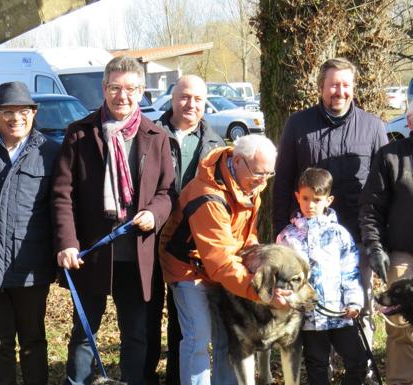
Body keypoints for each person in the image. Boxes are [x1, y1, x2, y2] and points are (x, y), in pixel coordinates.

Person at [52, 56, 174, 385]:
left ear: (142, 91)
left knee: (136, 334)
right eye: (116, 88)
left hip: (137, 256)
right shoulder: (79, 134)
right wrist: (67, 243)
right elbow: (63, 194)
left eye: (131, 88)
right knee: (83, 335)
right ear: (104, 88)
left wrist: (155, 213)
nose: (123, 95)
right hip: (90, 253)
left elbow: (166, 192)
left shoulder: (156, 136)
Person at [272, 57, 387, 367]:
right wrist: (280, 236)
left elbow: (382, 188)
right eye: (334, 84)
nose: (340, 91)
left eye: (346, 84)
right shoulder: (299, 125)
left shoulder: (374, 127)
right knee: (312, 315)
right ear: (321, 87)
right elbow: (282, 182)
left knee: (357, 307)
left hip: (357, 239)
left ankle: (357, 369)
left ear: (353, 88)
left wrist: (379, 241)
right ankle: (318, 368)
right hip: (305, 241)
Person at [159, 134, 289, 385]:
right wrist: (260, 290)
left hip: (223, 264)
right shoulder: (207, 196)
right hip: (188, 267)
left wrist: (259, 262)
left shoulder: (251, 184)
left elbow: (245, 235)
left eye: (268, 175)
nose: (263, 181)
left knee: (229, 337)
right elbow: (219, 261)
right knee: (199, 336)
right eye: (259, 174)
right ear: (238, 161)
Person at [0, 81, 60, 385]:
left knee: (33, 341)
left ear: (33, 113)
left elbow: (62, 206)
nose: (15, 118)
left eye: (23, 111)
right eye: (7, 111)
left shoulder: (50, 152)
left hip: (31, 264)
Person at [147, 75, 225, 385]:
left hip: (191, 245)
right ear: (172, 98)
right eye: (184, 97)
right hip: (151, 235)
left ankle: (177, 379)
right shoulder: (152, 134)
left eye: (197, 98)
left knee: (186, 322)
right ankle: (143, 376)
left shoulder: (216, 144)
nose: (190, 104)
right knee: (148, 315)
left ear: (205, 102)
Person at [276, 168, 366, 385]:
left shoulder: (339, 235)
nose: (310, 205)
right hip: (309, 319)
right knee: (317, 366)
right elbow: (281, 276)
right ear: (297, 197)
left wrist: (354, 301)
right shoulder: (287, 237)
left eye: (317, 199)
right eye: (305, 198)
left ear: (329, 200)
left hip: (340, 313)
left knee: (357, 361)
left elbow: (350, 271)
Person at [359, 101, 413, 385]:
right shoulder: (391, 156)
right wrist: (376, 246)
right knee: (400, 327)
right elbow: (371, 208)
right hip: (404, 253)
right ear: (409, 120)